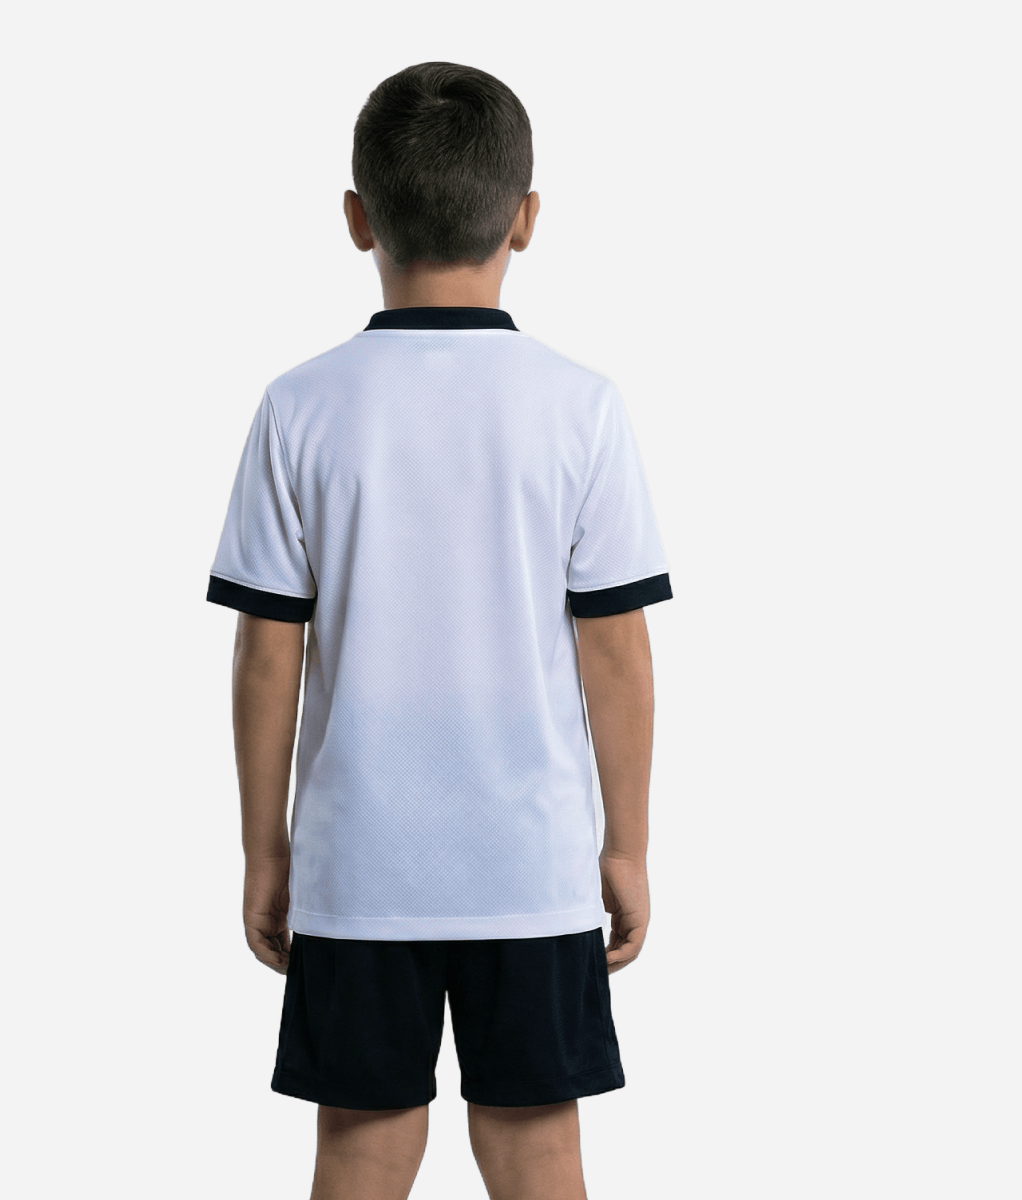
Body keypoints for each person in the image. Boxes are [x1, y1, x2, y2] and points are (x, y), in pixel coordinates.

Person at [207, 60, 673, 1200]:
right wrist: (625, 846)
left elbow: (268, 654)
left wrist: (267, 851)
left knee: (361, 1148)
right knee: (537, 1148)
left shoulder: (300, 404)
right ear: (527, 218)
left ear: (357, 217)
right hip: (530, 862)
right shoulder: (581, 406)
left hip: (360, 865)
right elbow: (615, 651)